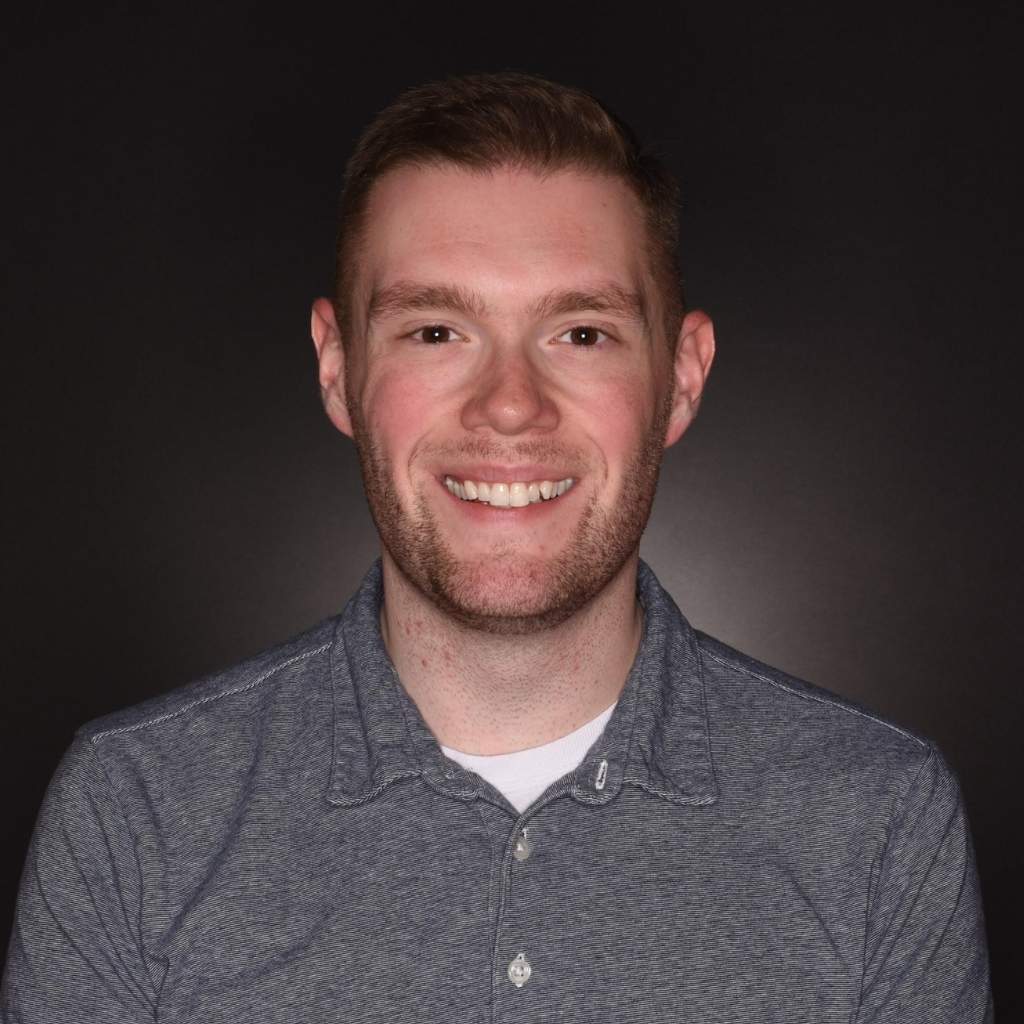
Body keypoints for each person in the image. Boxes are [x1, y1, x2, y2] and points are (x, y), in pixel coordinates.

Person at [1, 73, 992, 1022]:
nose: (510, 406)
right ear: (338, 369)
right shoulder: (139, 807)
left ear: (681, 379)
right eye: (436, 331)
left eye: (580, 333)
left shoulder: (877, 817)